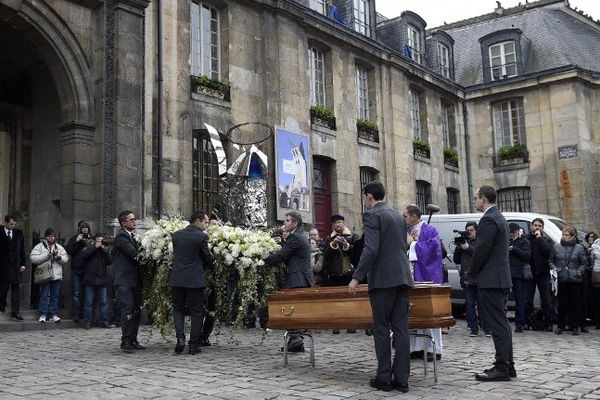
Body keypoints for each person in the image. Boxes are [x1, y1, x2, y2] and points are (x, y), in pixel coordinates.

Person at [348, 182, 414, 393]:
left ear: (368, 197)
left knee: (382, 329)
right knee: (402, 329)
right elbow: (402, 245)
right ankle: (402, 379)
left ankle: (384, 377)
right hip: (403, 277)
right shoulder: (397, 215)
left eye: (364, 197)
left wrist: (357, 276)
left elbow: (371, 248)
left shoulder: (372, 215)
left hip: (383, 279)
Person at [469, 186, 515, 381]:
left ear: (484, 199)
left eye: (476, 198)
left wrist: (472, 273)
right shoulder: (499, 216)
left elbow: (481, 250)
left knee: (498, 325)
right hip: (499, 277)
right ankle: (507, 365)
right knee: (501, 324)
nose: (474, 201)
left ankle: (502, 367)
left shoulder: (488, 219)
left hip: (492, 279)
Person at [265, 211, 314, 352]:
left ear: (295, 223)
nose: (284, 223)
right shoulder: (297, 235)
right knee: (292, 308)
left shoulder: (296, 238)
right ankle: (295, 341)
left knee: (291, 308)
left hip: (297, 278)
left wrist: (262, 259)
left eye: (287, 221)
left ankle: (296, 339)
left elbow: (281, 255)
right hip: (298, 277)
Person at [170, 210, 215, 354]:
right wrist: (214, 263)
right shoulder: (201, 237)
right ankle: (193, 345)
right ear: (197, 221)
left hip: (177, 278)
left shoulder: (176, 235)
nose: (206, 225)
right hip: (194, 280)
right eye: (205, 222)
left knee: (178, 309)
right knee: (196, 312)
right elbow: (207, 258)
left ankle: (180, 339)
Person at [403, 204, 444, 361]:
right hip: (410, 277)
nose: (403, 219)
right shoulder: (405, 231)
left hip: (426, 276)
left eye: (405, 216)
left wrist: (412, 244)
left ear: (414, 216)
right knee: (414, 313)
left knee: (430, 313)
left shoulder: (430, 230)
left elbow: (434, 250)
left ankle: (435, 350)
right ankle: (416, 348)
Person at [113, 210, 145, 353]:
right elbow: (133, 253)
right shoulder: (120, 237)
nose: (134, 222)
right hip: (124, 280)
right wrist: (146, 256)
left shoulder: (132, 236)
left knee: (136, 310)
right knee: (127, 308)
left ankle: (133, 338)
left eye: (134, 219)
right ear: (124, 223)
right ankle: (125, 340)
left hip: (135, 280)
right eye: (131, 220)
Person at [322, 214, 359, 334]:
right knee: (335, 299)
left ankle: (351, 324)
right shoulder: (328, 238)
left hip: (348, 273)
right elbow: (325, 254)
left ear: (344, 223)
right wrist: (333, 244)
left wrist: (346, 245)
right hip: (334, 273)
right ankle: (336, 324)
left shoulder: (353, 237)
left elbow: (357, 252)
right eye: (336, 223)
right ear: (333, 225)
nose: (338, 225)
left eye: (340, 222)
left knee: (350, 299)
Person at [453, 221, 491, 337]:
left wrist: (468, 247)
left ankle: (486, 328)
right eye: (467, 230)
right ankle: (473, 328)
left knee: (482, 304)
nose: (469, 233)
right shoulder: (464, 242)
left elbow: (480, 255)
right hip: (467, 277)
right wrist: (459, 248)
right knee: (469, 304)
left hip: (479, 277)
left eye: (471, 230)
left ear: (476, 231)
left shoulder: (480, 241)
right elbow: (456, 260)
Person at [549, 225, 587, 335]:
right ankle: (560, 326)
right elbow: (551, 261)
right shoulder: (556, 247)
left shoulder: (579, 248)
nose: (565, 237)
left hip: (575, 279)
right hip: (562, 278)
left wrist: (578, 272)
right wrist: (556, 269)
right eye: (564, 235)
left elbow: (584, 263)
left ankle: (574, 326)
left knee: (574, 304)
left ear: (572, 236)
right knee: (562, 304)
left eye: (567, 235)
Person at [30, 228, 69, 323]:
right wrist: (46, 256)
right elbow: (33, 258)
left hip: (56, 274)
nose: (52, 238)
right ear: (46, 237)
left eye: (53, 236)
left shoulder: (59, 247)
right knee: (43, 295)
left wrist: (58, 257)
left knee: (54, 296)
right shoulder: (39, 246)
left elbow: (66, 259)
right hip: (45, 275)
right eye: (50, 236)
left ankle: (53, 314)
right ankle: (43, 314)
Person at [524, 218, 555, 331]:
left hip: (543, 273)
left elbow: (548, 252)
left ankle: (548, 323)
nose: (537, 227)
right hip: (530, 273)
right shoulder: (526, 239)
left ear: (542, 228)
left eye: (539, 226)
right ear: (531, 226)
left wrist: (539, 238)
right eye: (535, 225)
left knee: (546, 299)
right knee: (527, 299)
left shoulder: (546, 240)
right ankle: (527, 322)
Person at [77, 233, 113, 329]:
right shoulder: (89, 247)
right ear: (95, 240)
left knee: (104, 302)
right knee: (88, 302)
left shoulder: (104, 250)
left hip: (101, 279)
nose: (101, 242)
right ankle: (87, 321)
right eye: (99, 241)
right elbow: (83, 256)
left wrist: (105, 251)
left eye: (102, 241)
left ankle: (104, 321)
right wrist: (95, 247)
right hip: (90, 279)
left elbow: (110, 261)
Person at [0, 214, 27, 320]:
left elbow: (22, 250)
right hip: (2, 266)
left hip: (15, 265)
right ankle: (1, 305)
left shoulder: (18, 233)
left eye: (14, 224)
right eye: (11, 224)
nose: (13, 226)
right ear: (6, 223)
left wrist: (23, 264)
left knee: (16, 288)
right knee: (3, 287)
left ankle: (15, 312)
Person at [65, 220, 92, 323]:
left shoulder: (91, 239)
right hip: (76, 268)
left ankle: (85, 315)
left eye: (86, 227)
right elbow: (70, 251)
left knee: (86, 294)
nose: (85, 229)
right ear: (79, 229)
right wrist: (77, 241)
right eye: (83, 227)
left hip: (88, 269)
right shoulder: (74, 238)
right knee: (76, 293)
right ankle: (76, 314)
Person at [508, 223, 531, 333]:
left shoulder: (524, 241)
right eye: (510, 232)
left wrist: (513, 249)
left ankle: (519, 324)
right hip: (506, 274)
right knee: (502, 300)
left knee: (520, 300)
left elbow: (527, 256)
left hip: (518, 275)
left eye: (513, 232)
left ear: (517, 231)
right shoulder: (505, 241)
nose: (511, 234)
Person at [590, 233, 600, 330]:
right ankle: (597, 321)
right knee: (596, 299)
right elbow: (592, 260)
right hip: (597, 274)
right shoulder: (595, 245)